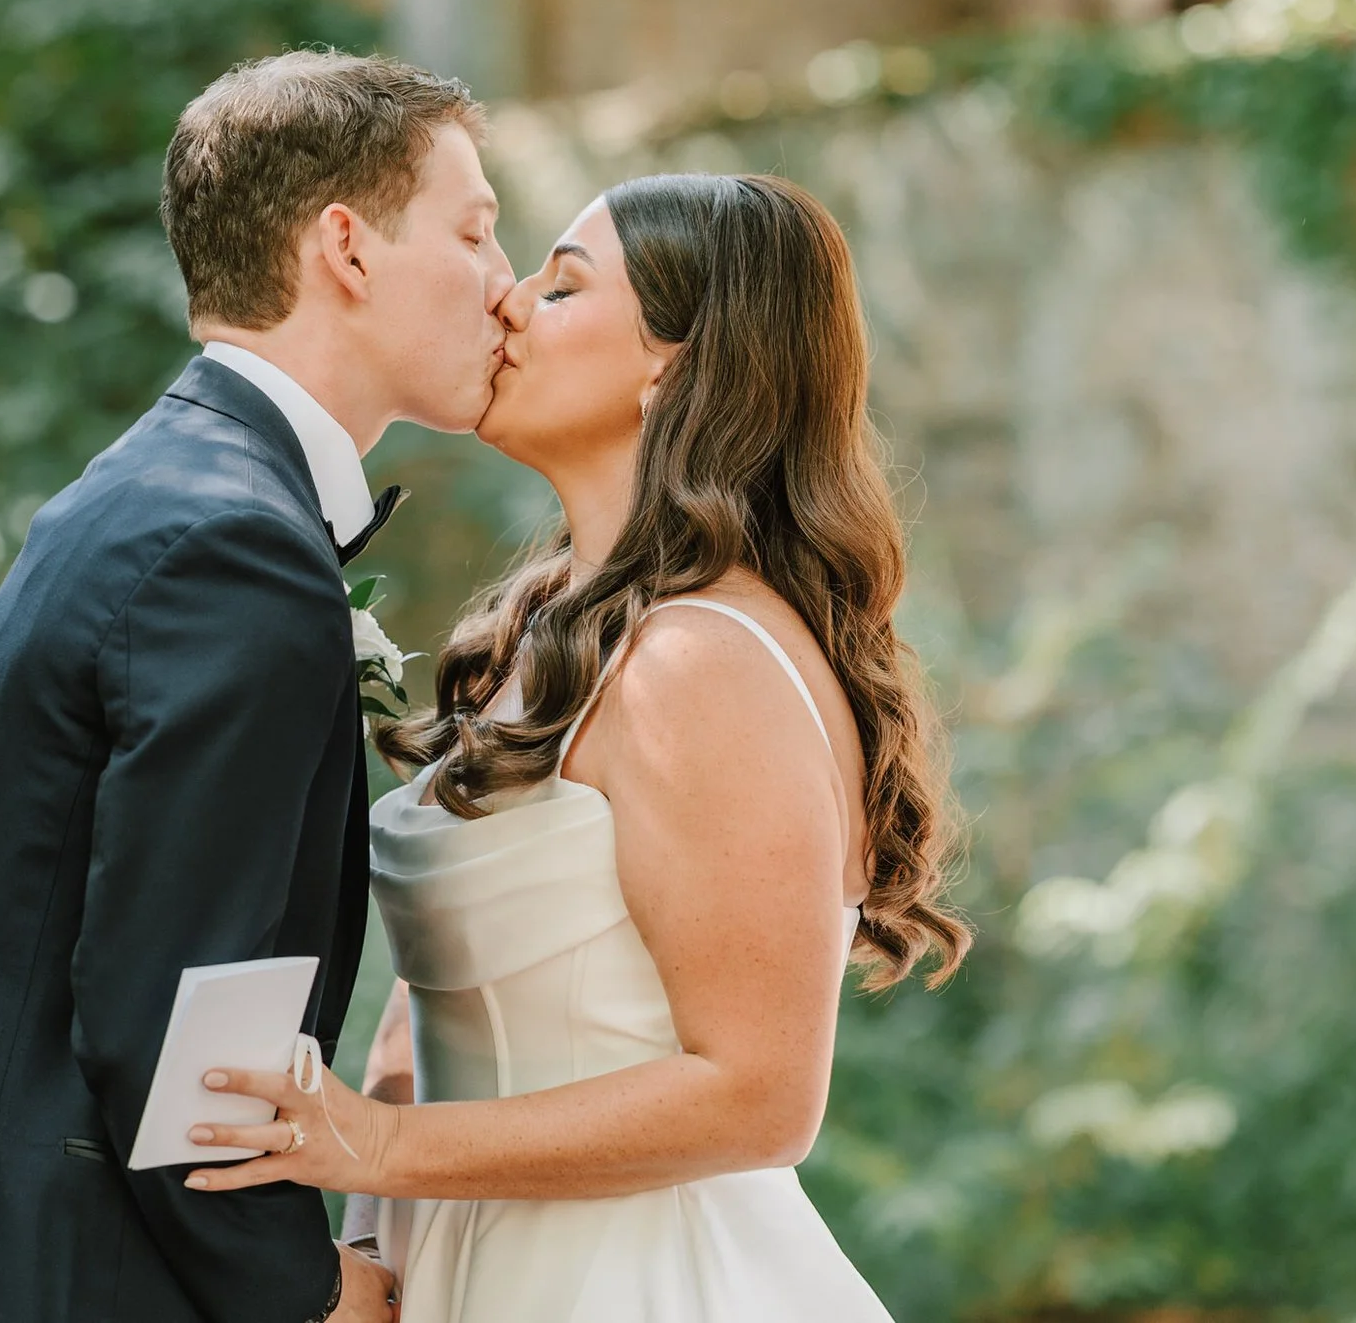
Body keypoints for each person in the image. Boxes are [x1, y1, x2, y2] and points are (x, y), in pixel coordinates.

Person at [0, 51, 514, 1323]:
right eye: (475, 232)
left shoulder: (161, 490)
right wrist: (301, 1288)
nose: (503, 288)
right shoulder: (230, 545)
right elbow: (173, 1011)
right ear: (345, 245)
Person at [182, 172, 970, 1322]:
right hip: (463, 1261)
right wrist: (367, 1240)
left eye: (559, 287)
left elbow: (759, 1096)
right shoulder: (551, 634)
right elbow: (439, 992)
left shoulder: (701, 661)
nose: (504, 301)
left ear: (673, 362)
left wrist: (379, 1145)